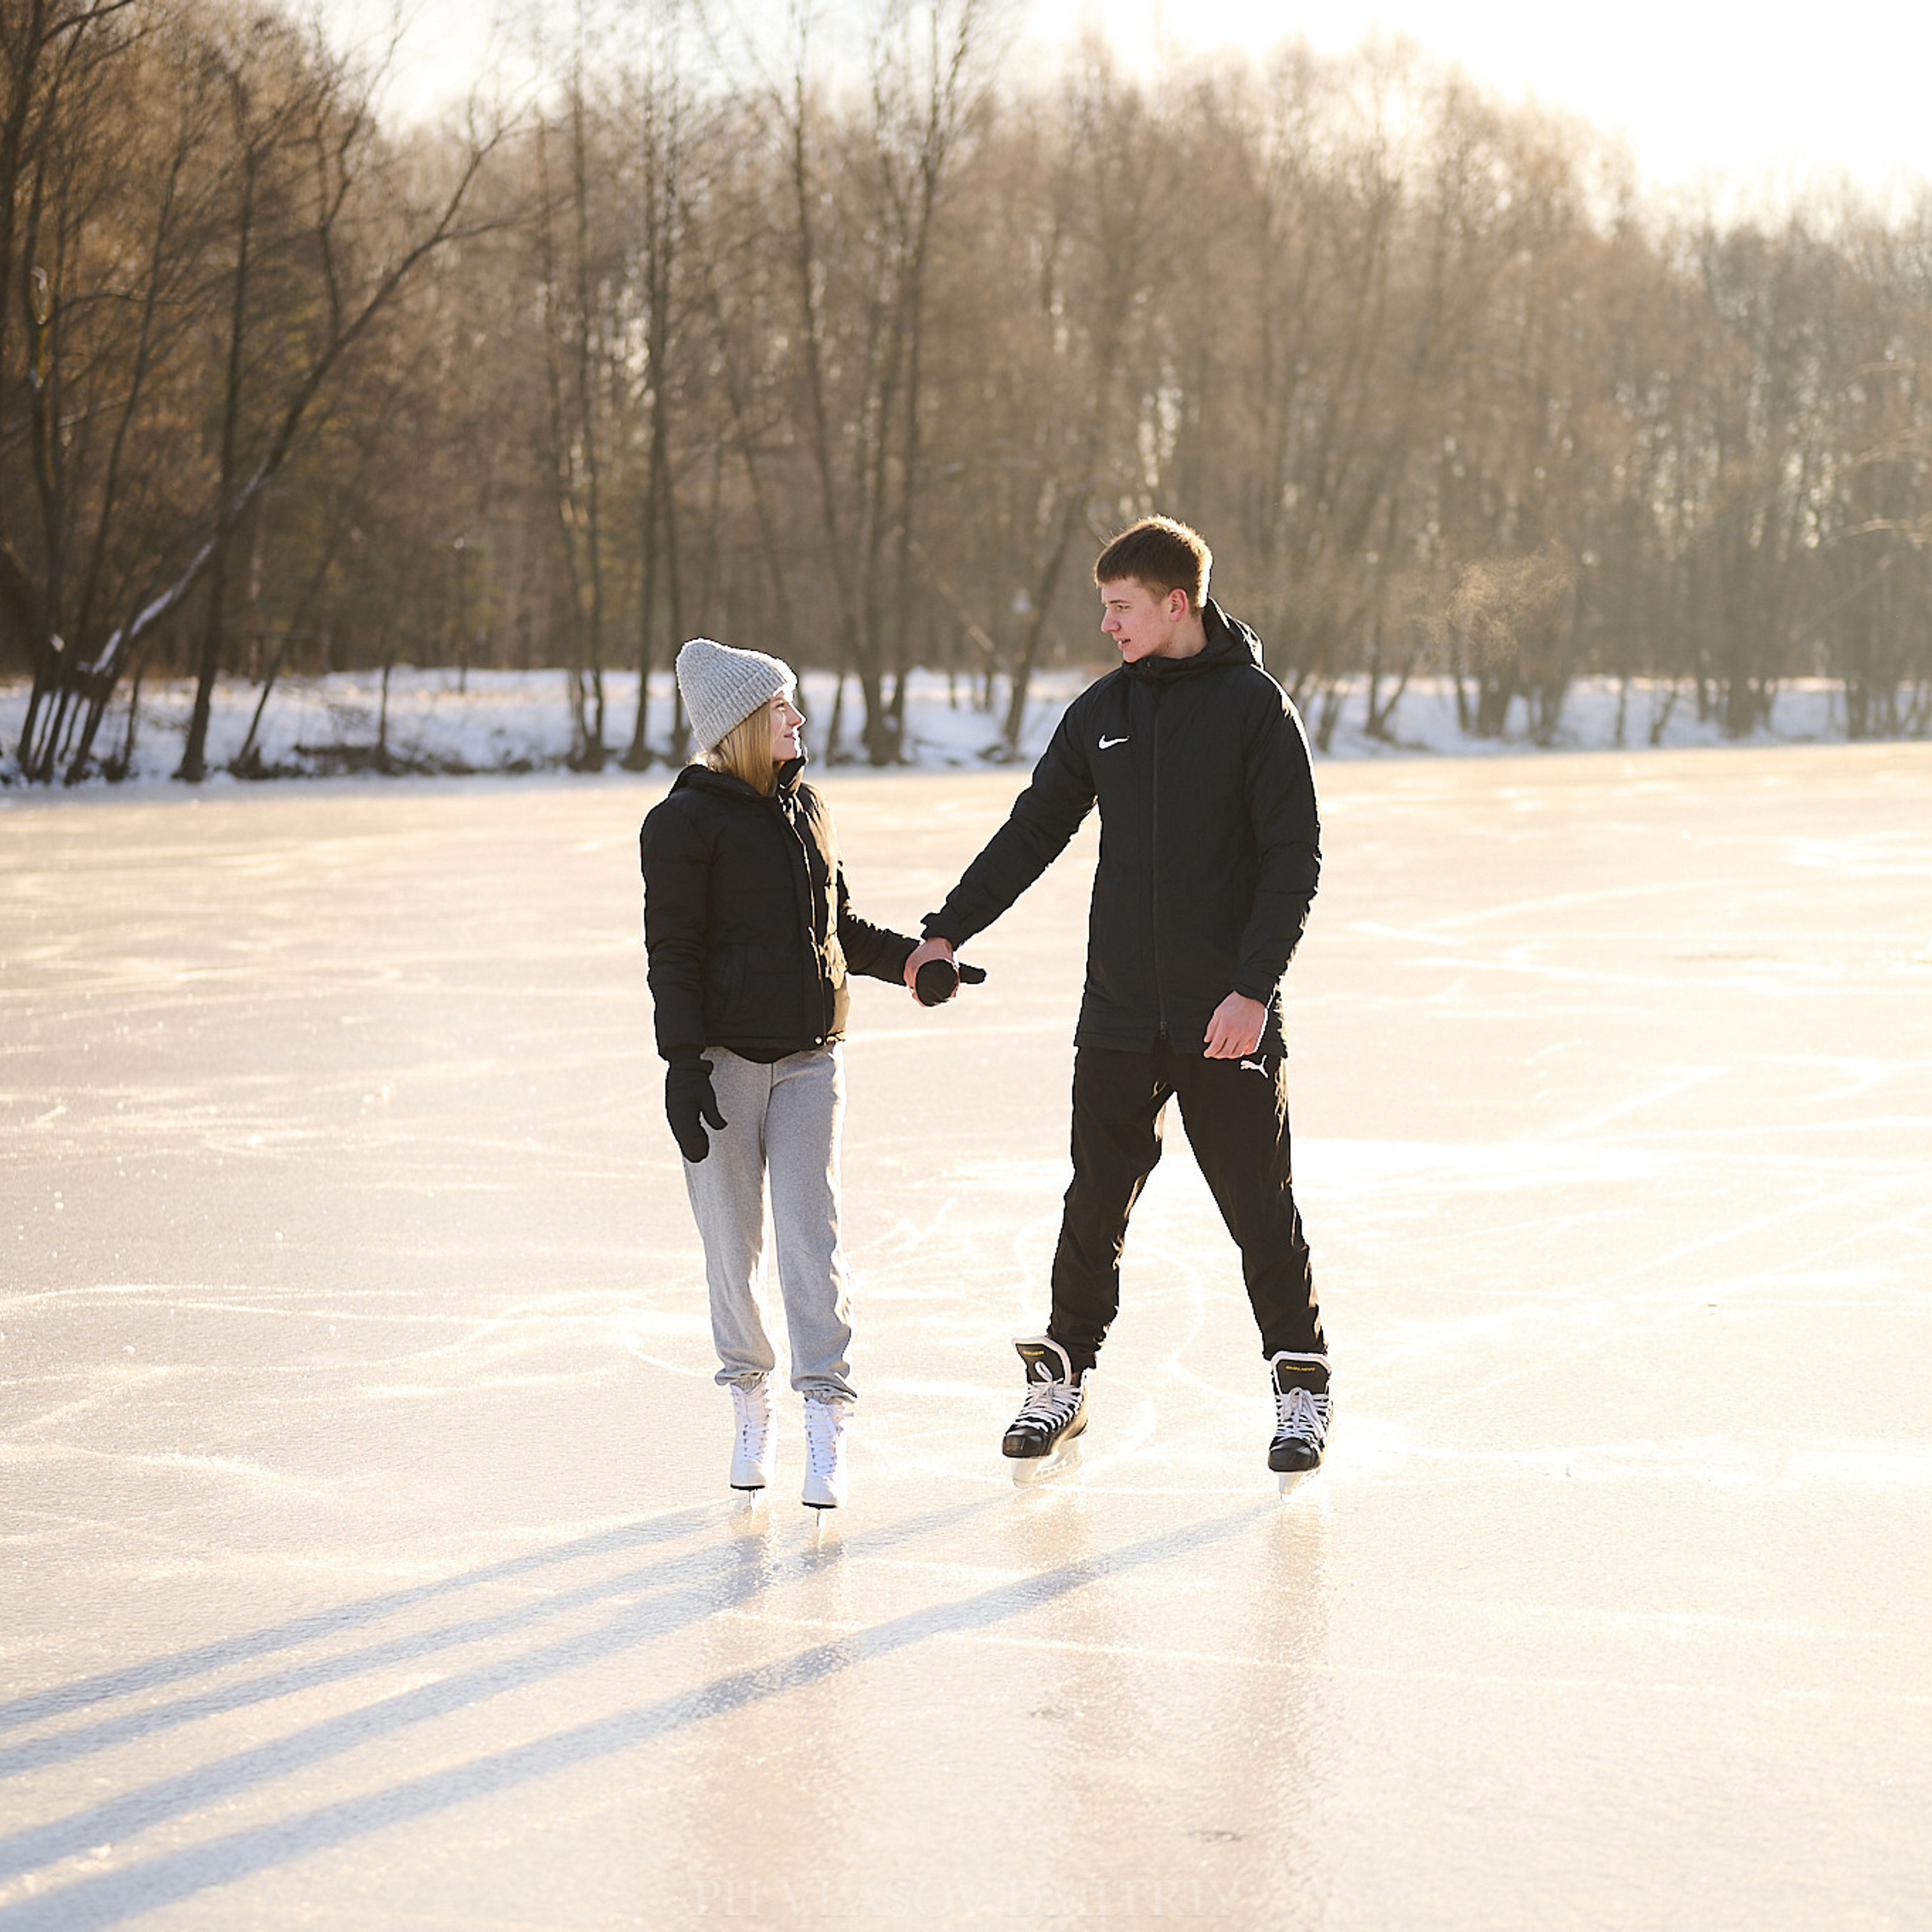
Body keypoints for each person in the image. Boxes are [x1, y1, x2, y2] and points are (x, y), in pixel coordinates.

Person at [905, 517, 1330, 1486]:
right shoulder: (1104, 710)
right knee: (1093, 1202)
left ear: (1176, 603)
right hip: (1119, 1015)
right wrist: (947, 928)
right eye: (1104, 607)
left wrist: (1252, 990)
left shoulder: (1254, 709)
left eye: (1120, 607)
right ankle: (1063, 1380)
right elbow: (1033, 830)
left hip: (1225, 1017)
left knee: (1258, 1208)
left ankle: (1300, 1385)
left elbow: (1293, 859)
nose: (1107, 625)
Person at [641, 638, 972, 1508]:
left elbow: (840, 926)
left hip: (808, 1064)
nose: (797, 717)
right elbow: (671, 953)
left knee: (808, 1241)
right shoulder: (681, 825)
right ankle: (748, 1399)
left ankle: (825, 1416)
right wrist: (681, 1064)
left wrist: (912, 965)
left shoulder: (807, 809)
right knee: (731, 1245)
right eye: (782, 707)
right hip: (720, 1065)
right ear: (745, 723)